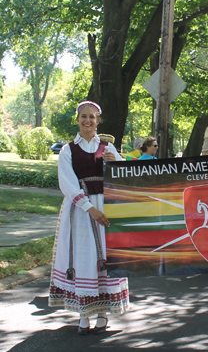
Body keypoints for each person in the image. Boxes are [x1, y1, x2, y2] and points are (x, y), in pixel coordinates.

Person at [48, 101, 129, 334]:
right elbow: (68, 184)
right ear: (77, 120)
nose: (88, 121)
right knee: (83, 256)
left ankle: (103, 312)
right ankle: (84, 315)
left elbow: (123, 175)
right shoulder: (67, 150)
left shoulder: (107, 147)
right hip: (81, 211)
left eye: (92, 117)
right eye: (83, 116)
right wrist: (89, 207)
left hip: (107, 207)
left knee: (105, 255)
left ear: (98, 121)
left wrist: (116, 161)